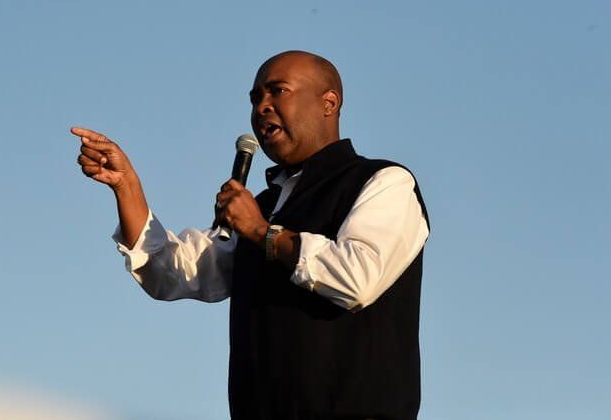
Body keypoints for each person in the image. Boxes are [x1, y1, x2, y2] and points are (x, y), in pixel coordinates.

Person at [72, 51, 430, 420]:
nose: (262, 107)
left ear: (328, 103)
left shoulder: (383, 182)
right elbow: (173, 273)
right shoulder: (265, 206)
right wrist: (126, 186)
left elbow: (357, 277)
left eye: (278, 92)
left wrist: (262, 232)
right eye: (256, 98)